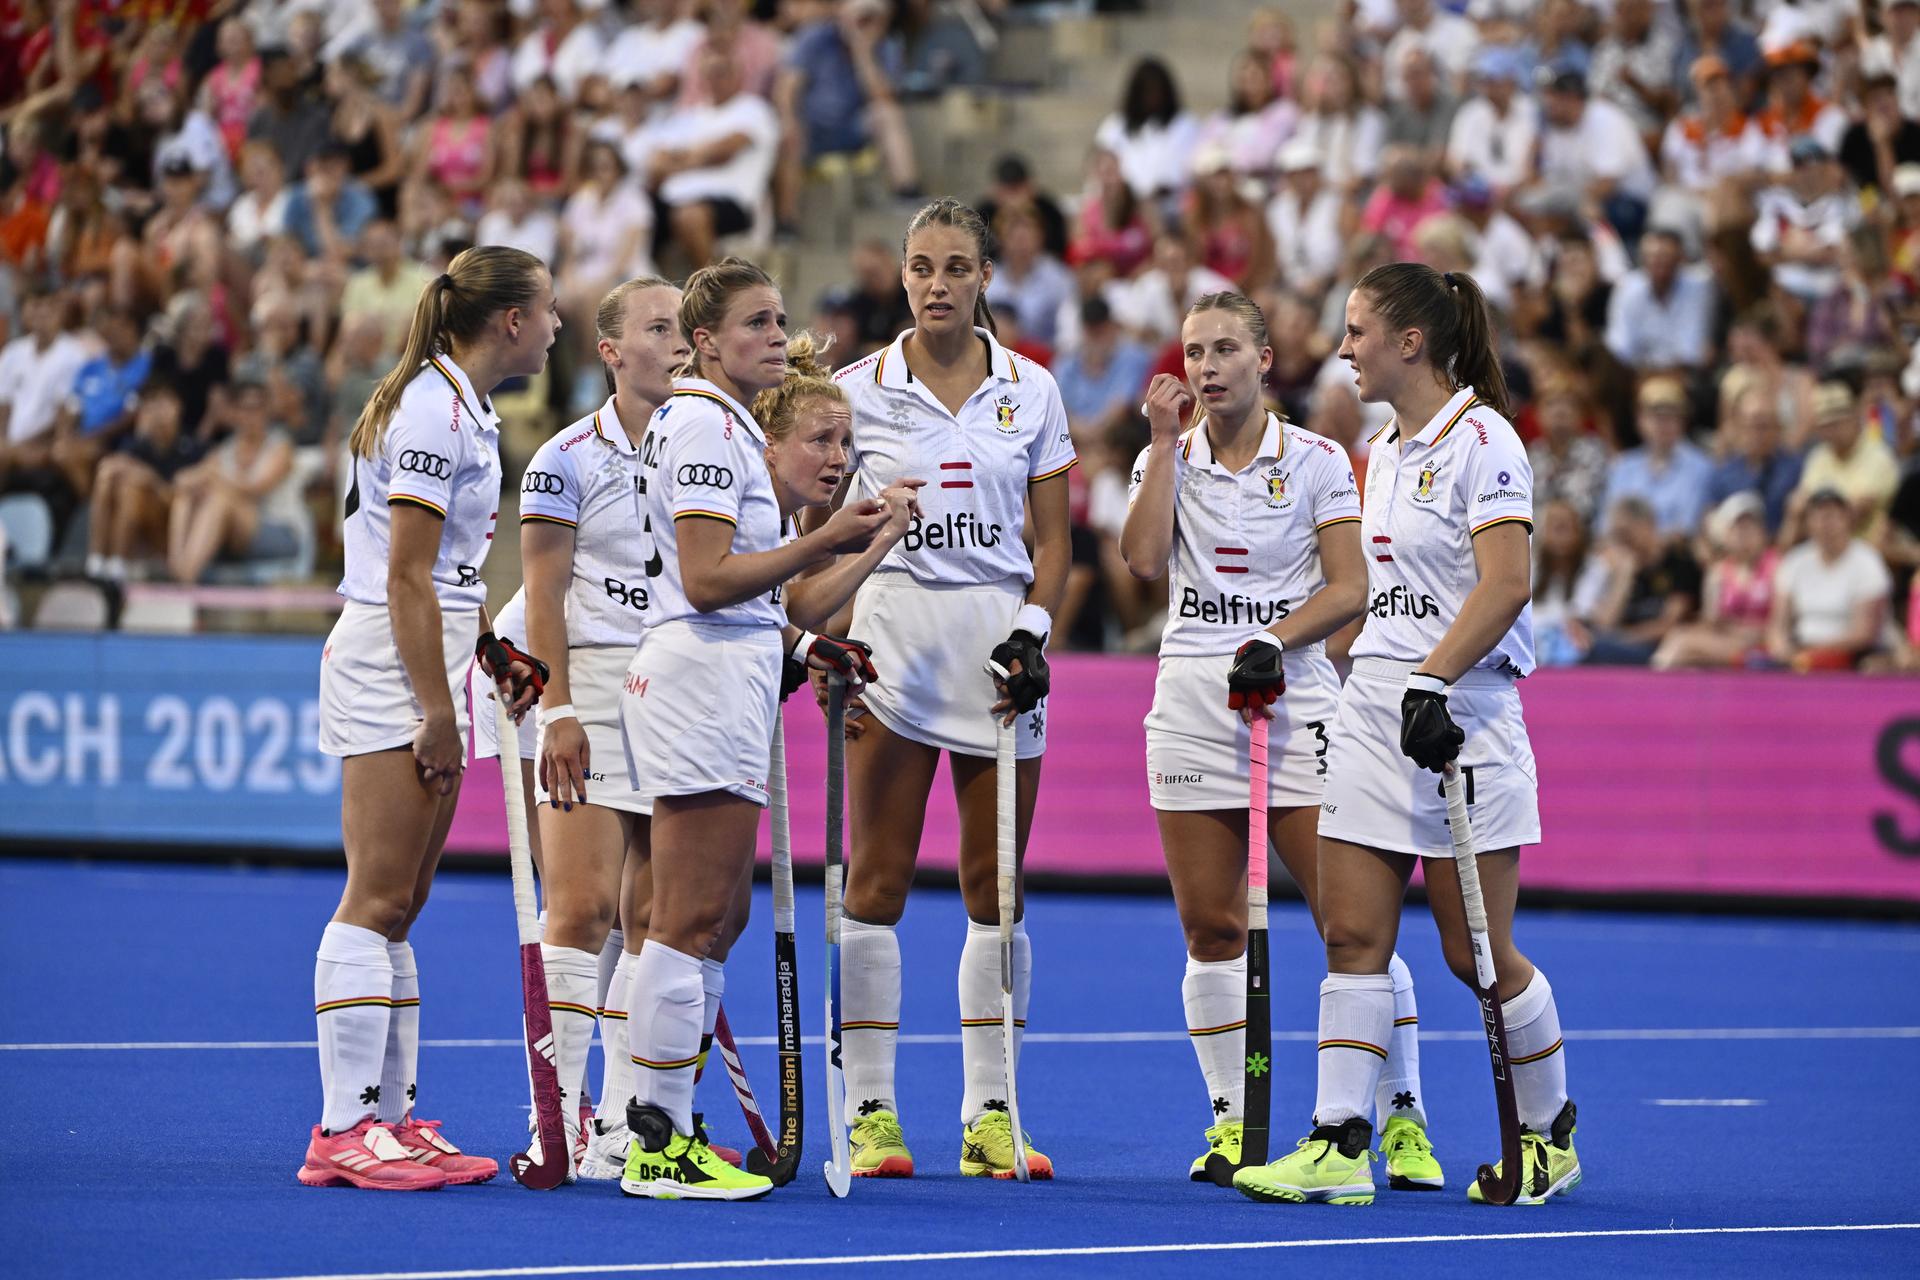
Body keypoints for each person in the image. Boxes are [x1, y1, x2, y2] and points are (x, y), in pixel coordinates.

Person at [1233, 265, 1579, 1207]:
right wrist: (1289, 645)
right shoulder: (1382, 450)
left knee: (1474, 954)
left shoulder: (1486, 443)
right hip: (1375, 715)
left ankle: (1549, 1134)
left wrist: (1433, 677)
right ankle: (1341, 1142)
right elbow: (1382, 599)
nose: (1342, 349)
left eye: (1356, 331)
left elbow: (1504, 585)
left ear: (1410, 342)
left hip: (1463, 719)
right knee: (1352, 935)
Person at [1120, 291, 1443, 1188]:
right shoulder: (1170, 457)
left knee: (1351, 923)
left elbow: (1350, 588)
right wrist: (1155, 448)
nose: (1208, 367)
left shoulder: (1316, 461)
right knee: (1209, 926)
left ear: (1266, 361)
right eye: (1194, 352)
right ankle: (1233, 1120)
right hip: (1190, 701)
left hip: (1295, 706)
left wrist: (1273, 639)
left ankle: (1402, 1113)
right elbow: (1144, 562)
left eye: (1227, 349)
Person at [615, 256, 900, 1201]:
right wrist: (828, 535)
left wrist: (825, 596)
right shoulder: (705, 422)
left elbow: (758, 593)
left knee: (711, 917)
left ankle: (667, 1124)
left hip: (725, 673)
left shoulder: (726, 426)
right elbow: (703, 580)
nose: (778, 336)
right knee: (685, 919)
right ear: (705, 343)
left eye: (781, 321)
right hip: (697, 681)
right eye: (756, 324)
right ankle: (655, 1138)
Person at [824, 198, 1078, 1180]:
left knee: (997, 892)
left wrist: (1034, 629)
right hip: (893, 650)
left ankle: (990, 1114)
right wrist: (832, 637)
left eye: (956, 267)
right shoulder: (853, 392)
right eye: (922, 266)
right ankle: (872, 1111)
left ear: (984, 279)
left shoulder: (1034, 390)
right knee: (876, 883)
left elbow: (1052, 547)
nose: (937, 283)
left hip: (1003, 658)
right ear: (900, 276)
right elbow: (826, 542)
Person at [303, 245, 559, 1191]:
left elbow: (443, 577)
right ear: (509, 322)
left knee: (402, 905)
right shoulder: (429, 409)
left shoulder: (460, 406)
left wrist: (488, 650)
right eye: (549, 309)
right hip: (394, 659)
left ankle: (393, 1118)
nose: (558, 325)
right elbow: (403, 573)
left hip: (440, 647)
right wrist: (431, 709)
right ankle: (342, 1128)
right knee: (374, 896)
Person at [1767, 488, 1892, 671]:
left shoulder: (1868, 561)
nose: (1825, 523)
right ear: (1808, 522)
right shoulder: (1794, 561)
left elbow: (1864, 632)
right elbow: (1778, 623)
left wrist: (1812, 652)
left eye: (1832, 516)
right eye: (1818, 516)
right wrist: (1781, 647)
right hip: (1800, 650)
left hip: (1852, 654)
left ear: (1847, 519)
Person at [1651, 490, 1777, 669]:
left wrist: (1738, 630)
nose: (1744, 533)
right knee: (1680, 647)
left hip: (1764, 644)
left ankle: (1654, 688)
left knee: (1681, 648)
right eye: (1738, 527)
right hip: (1729, 643)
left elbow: (1779, 623)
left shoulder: (1776, 567)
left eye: (1750, 526)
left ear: (1762, 531)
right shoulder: (1717, 573)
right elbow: (1712, 622)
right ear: (1726, 535)